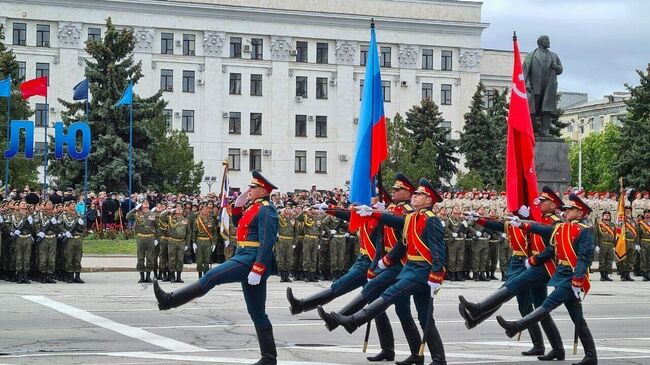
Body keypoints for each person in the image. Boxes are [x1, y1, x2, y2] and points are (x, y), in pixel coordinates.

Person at [154, 170, 279, 365]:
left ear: (263, 190)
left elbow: (268, 241)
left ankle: (169, 301)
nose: (249, 190)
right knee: (257, 312)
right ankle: (269, 358)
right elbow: (240, 225)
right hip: (243, 255)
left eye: (253, 187)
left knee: (211, 277)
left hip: (251, 259)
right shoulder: (255, 208)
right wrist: (238, 207)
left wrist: (259, 268)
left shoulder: (267, 210)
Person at [322, 178, 447, 365]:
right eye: (416, 193)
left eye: (420, 194)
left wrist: (436, 275)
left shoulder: (432, 221)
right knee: (424, 317)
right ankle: (433, 358)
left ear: (429, 200)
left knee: (391, 294)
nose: (415, 196)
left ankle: (353, 321)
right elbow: (401, 239)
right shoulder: (412, 218)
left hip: (423, 273)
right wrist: (383, 260)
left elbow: (438, 251)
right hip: (411, 269)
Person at [458, 186, 565, 361]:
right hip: (529, 264)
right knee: (534, 309)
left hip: (542, 266)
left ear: (553, 205)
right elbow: (500, 224)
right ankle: (551, 347)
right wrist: (480, 220)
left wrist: (534, 260)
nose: (539, 203)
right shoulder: (534, 219)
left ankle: (477, 312)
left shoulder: (552, 222)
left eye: (543, 201)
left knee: (510, 288)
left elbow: (553, 248)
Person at [497, 194, 597, 365]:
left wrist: (578, 280)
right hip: (563, 275)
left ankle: (516, 326)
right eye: (566, 210)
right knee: (577, 319)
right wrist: (522, 223)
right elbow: (543, 229)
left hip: (572, 278)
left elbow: (584, 258)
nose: (566, 212)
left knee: (546, 306)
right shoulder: (563, 228)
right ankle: (588, 355)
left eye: (571, 210)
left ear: (580, 213)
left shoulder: (584, 231)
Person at [523, 35, 563, 137]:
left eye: (548, 40)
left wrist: (556, 67)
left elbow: (560, 70)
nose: (549, 42)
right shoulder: (531, 55)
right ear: (540, 42)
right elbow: (525, 71)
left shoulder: (554, 56)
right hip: (534, 87)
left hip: (549, 86)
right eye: (546, 40)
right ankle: (533, 130)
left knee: (547, 109)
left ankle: (545, 130)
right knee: (533, 109)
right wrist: (527, 84)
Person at [126, 200, 157, 283]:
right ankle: (142, 277)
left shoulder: (153, 214)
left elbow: (157, 227)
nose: (146, 204)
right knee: (140, 257)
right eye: (144, 203)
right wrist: (135, 209)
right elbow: (127, 217)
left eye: (147, 202)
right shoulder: (137, 214)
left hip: (150, 237)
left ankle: (148, 276)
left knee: (150, 258)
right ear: (141, 205)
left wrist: (156, 238)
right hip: (140, 237)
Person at [61, 200, 86, 283]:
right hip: (70, 238)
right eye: (71, 204)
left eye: (74, 204)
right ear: (68, 206)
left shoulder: (78, 215)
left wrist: (82, 224)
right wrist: (65, 232)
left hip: (78, 238)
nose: (73, 206)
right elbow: (60, 226)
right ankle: (70, 276)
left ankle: (77, 276)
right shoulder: (64, 216)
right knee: (69, 257)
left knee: (78, 257)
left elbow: (83, 228)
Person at [193, 203, 217, 278]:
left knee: (207, 260)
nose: (205, 211)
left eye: (206, 209)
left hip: (208, 241)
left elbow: (214, 233)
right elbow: (194, 232)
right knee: (199, 260)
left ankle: (205, 276)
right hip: (200, 241)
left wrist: (214, 243)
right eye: (203, 209)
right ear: (201, 211)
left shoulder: (211, 220)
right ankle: (200, 276)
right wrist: (193, 243)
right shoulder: (197, 220)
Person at [595, 211, 616, 281]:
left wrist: (614, 245)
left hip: (610, 245)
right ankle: (602, 275)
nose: (607, 216)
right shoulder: (599, 225)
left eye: (608, 215)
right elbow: (596, 235)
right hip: (602, 244)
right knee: (602, 260)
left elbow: (615, 235)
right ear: (603, 216)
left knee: (609, 260)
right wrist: (597, 245)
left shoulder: (612, 225)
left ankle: (607, 275)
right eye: (605, 215)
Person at [639, 209, 650, 281]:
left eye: (649, 213)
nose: (647, 214)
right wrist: (638, 244)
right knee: (644, 259)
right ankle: (645, 275)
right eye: (646, 213)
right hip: (644, 242)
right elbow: (638, 234)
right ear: (644, 214)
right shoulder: (641, 223)